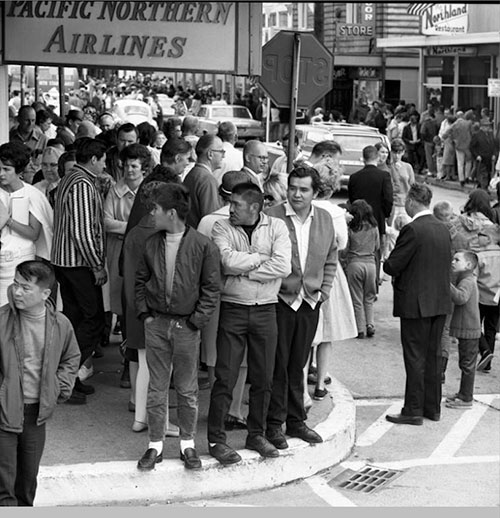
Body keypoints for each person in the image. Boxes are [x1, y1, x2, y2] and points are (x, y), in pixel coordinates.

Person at [135, 183, 220, 471]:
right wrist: (145, 314)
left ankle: (187, 444)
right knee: (157, 388)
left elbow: (211, 289)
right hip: (156, 322)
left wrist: (196, 321)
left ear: (171, 213)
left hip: (186, 326)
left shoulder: (202, 245)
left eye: (156, 209)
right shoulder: (151, 243)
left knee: (187, 389)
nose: (152, 213)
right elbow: (139, 281)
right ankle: (155, 445)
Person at [207, 182, 292, 464]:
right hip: (233, 308)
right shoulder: (221, 227)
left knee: (264, 377)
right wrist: (260, 259)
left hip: (266, 309)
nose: (230, 209)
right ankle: (216, 439)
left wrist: (248, 272)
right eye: (230, 204)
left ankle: (257, 434)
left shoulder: (277, 227)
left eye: (237, 205)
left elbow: (284, 266)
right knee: (225, 377)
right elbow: (226, 262)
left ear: (254, 208)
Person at [265, 165, 337, 449]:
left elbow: (332, 257)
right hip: (280, 300)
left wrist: (324, 291)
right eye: (292, 187)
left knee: (298, 364)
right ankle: (274, 424)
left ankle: (296, 421)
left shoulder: (325, 219)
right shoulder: (273, 216)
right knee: (278, 365)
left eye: (303, 189)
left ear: (314, 193)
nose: (296, 194)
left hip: (310, 301)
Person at [0, 260, 80, 506]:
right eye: (15, 285)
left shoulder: (60, 324)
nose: (17, 292)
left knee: (27, 483)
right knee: (4, 487)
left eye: (25, 287)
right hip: (4, 410)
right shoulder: (3, 319)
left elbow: (71, 357)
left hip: (36, 414)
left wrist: (59, 388)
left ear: (45, 293)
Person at [384, 183, 452, 425]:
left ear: (412, 202)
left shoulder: (413, 229)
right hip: (440, 301)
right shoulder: (443, 228)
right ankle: (431, 408)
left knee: (414, 357)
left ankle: (413, 409)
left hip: (416, 303)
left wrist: (387, 258)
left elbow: (393, 265)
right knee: (433, 357)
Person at [51, 137, 108, 405]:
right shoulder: (83, 183)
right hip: (78, 263)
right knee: (93, 320)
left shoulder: (68, 179)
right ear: (94, 160)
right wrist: (96, 264)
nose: (105, 165)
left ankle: (67, 377)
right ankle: (67, 376)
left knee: (74, 319)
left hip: (64, 261)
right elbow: (83, 232)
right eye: (103, 160)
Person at [197, 170, 254, 431]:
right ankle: (234, 409)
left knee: (211, 351)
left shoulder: (207, 221)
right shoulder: (251, 219)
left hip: (210, 293)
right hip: (241, 292)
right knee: (239, 353)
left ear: (221, 192)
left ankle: (215, 406)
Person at [0, 142, 54, 306]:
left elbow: (34, 233)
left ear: (18, 170)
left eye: (6, 169)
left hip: (21, 263)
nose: (1, 173)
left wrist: (8, 220)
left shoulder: (32, 195)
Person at [445, 250, 481, 408]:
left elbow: (461, 298)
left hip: (470, 329)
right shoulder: (465, 278)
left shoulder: (467, 280)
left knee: (467, 365)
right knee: (465, 364)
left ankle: (466, 398)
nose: (453, 262)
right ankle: (463, 393)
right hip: (468, 329)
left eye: (457, 260)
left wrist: (447, 284)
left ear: (468, 265)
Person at [345, 199, 380, 339]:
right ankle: (370, 324)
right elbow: (377, 247)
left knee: (357, 298)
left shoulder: (351, 228)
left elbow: (345, 248)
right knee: (369, 297)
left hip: (354, 264)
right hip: (371, 265)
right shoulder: (374, 227)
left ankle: (359, 329)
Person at [182, 134, 224, 228]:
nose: (223, 156)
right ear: (210, 154)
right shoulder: (207, 180)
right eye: (221, 151)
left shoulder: (192, 174)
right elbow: (211, 220)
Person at [475, 228, 500, 373]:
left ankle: (484, 351)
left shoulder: (480, 256)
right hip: (497, 298)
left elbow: (473, 278)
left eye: (481, 235)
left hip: (481, 296)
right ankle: (487, 361)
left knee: (474, 326)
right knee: (490, 327)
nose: (478, 237)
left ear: (489, 238)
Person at [388, 138, 415, 225]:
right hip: (393, 203)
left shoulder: (408, 167)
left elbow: (412, 185)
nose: (397, 156)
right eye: (395, 152)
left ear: (403, 152)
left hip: (405, 203)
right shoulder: (388, 167)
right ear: (391, 152)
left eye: (399, 153)